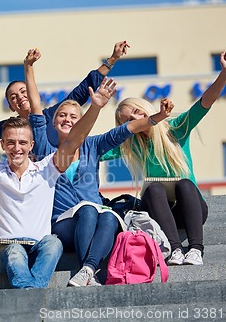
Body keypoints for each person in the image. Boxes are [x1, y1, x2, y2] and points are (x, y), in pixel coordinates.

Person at [0, 73, 114, 289]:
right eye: (11, 143)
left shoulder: (46, 170)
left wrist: (95, 108)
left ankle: (29, 292)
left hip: (38, 248)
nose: (17, 148)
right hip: (3, 250)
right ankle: (32, 294)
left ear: (32, 145)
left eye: (22, 142)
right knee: (15, 250)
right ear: (3, 145)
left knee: (53, 243)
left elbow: (74, 140)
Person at [24, 48, 173, 286]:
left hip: (96, 220)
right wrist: (28, 67)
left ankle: (87, 270)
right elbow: (35, 106)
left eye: (73, 116)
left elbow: (128, 129)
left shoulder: (92, 145)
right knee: (89, 209)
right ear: (54, 122)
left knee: (110, 218)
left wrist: (158, 116)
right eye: (62, 116)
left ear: (81, 121)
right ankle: (88, 268)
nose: (67, 120)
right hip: (63, 225)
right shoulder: (44, 147)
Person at [0, 41, 130, 256]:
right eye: (13, 97)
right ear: (10, 105)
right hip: (29, 185)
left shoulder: (53, 115)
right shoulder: (10, 128)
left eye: (23, 91)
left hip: (58, 185)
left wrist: (111, 60)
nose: (19, 97)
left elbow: (83, 91)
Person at [113, 51, 226, 266]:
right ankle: (176, 249)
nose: (135, 119)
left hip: (190, 208)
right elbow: (91, 149)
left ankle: (196, 249)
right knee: (154, 188)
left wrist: (225, 74)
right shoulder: (130, 144)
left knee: (185, 184)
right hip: (158, 213)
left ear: (145, 109)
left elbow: (204, 103)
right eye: (128, 120)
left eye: (136, 112)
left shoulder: (175, 128)